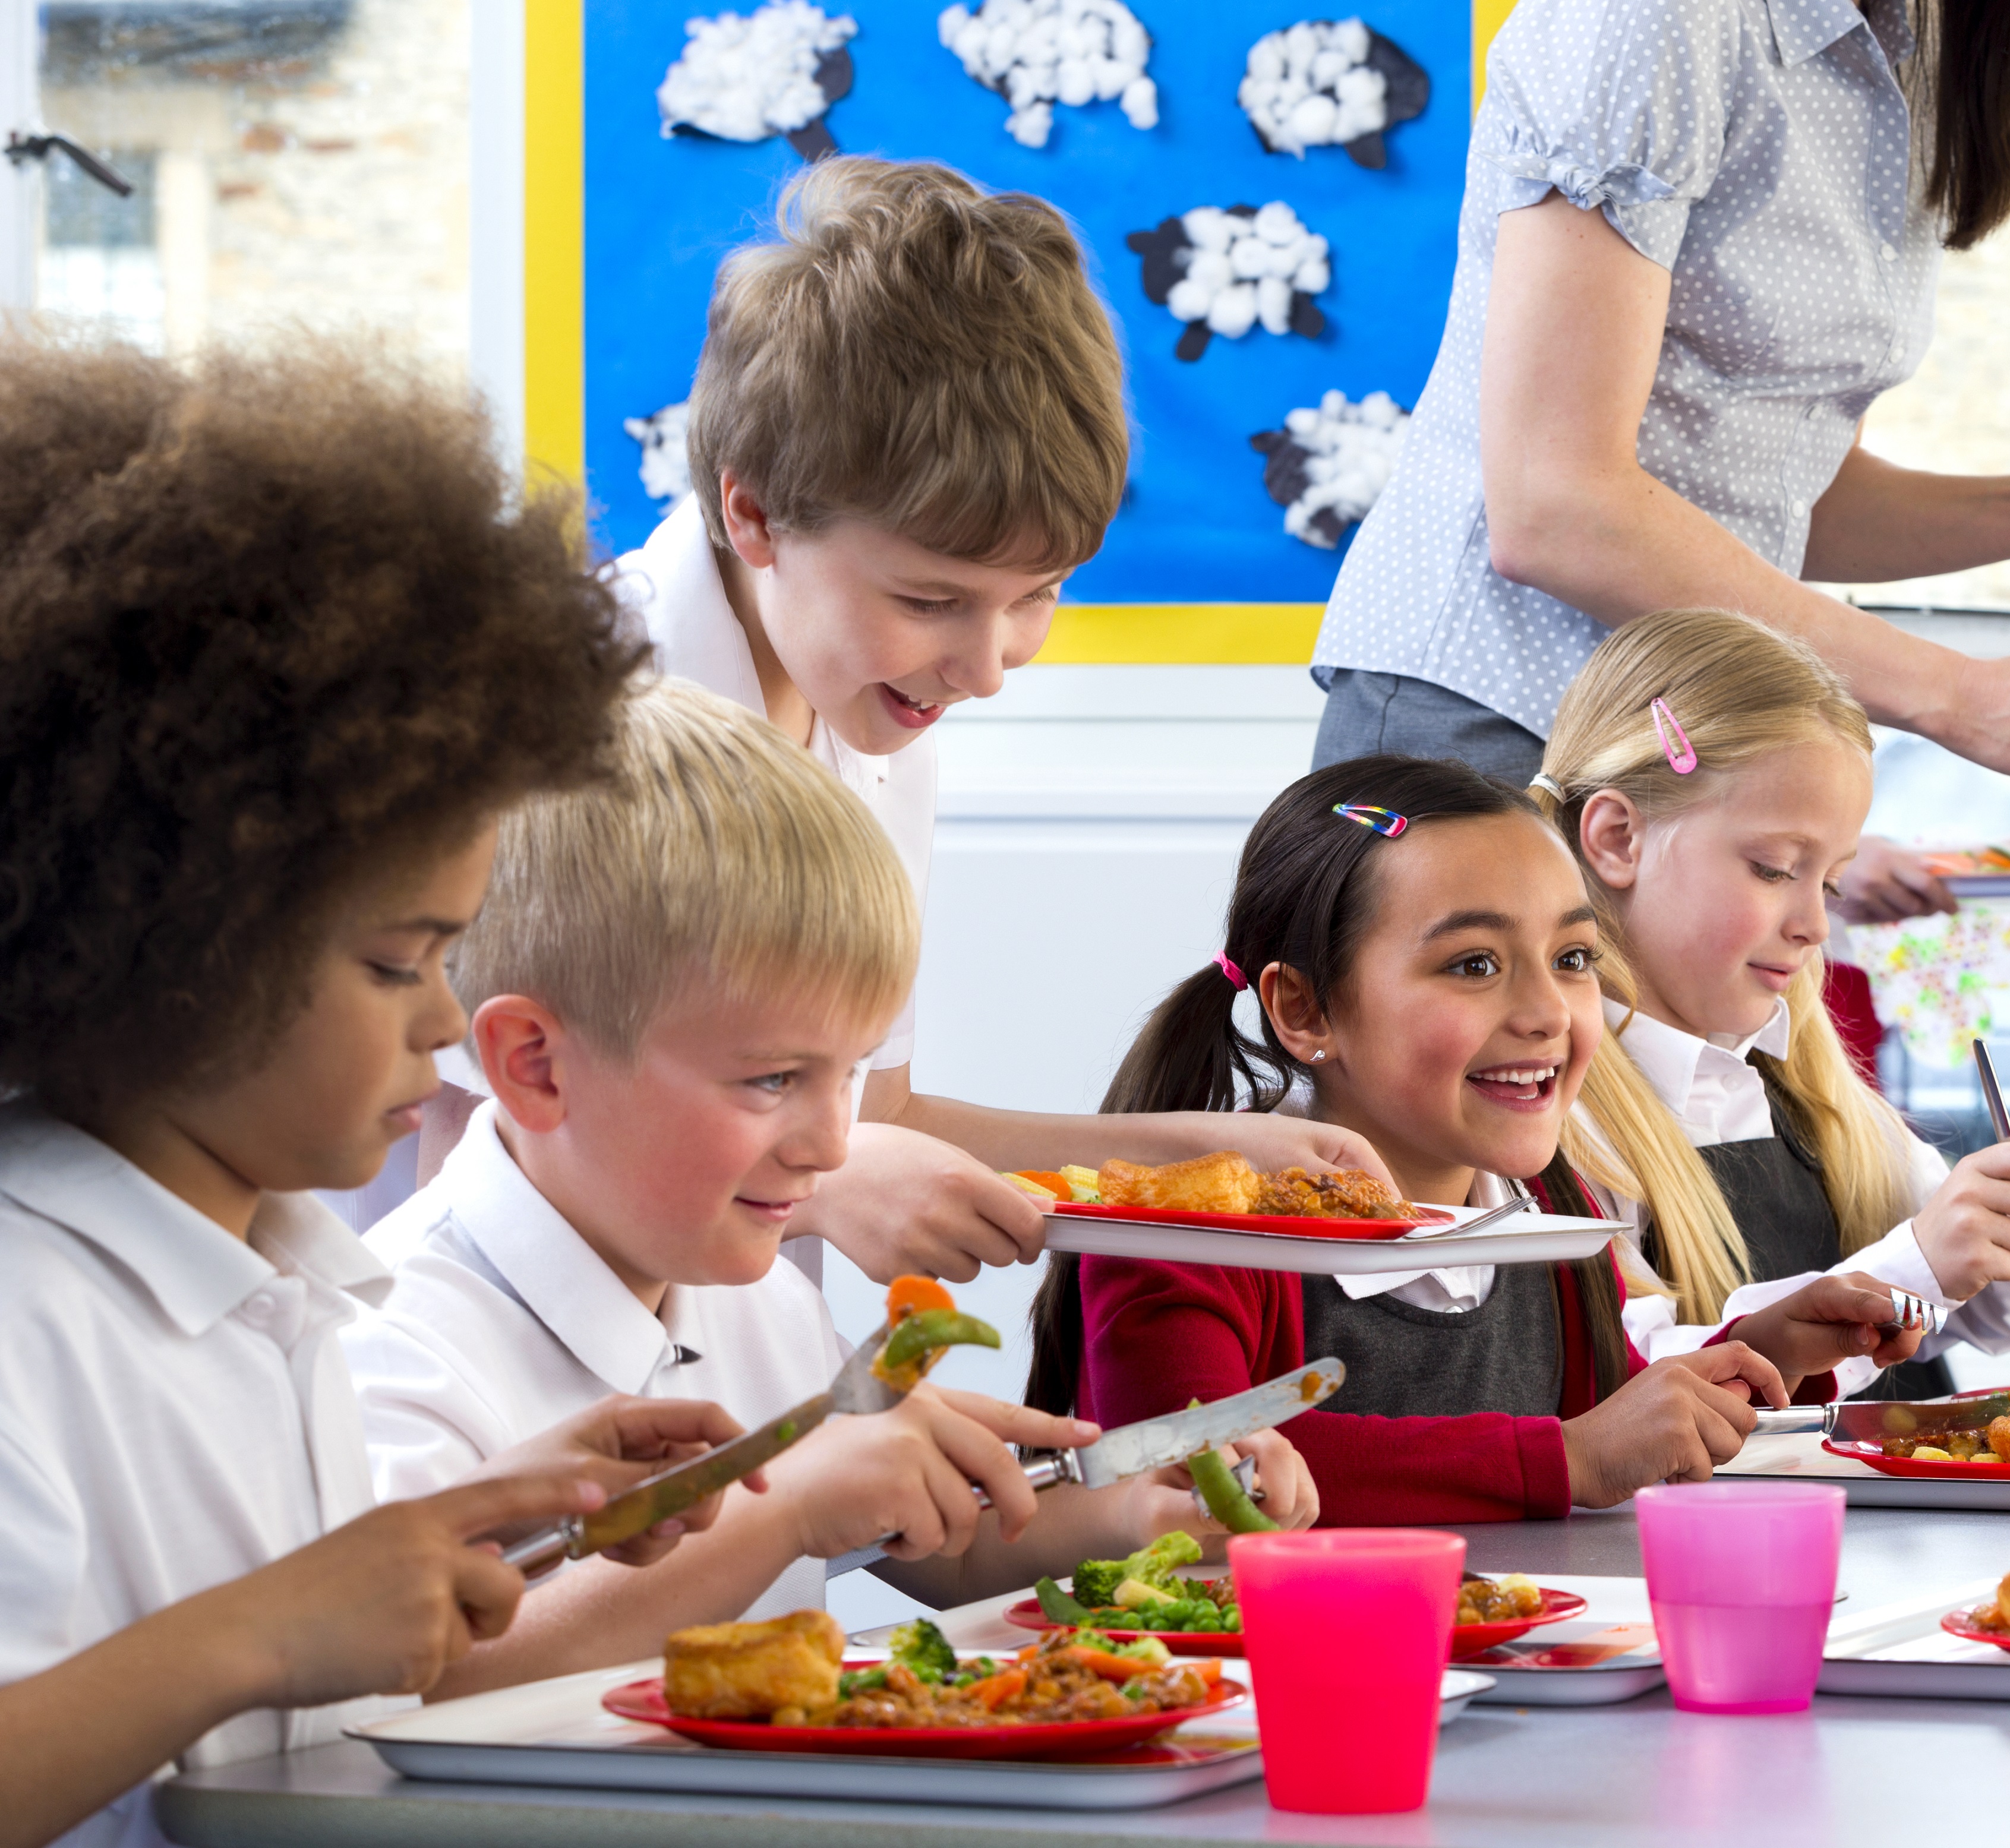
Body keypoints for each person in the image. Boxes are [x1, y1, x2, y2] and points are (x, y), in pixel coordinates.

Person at [0, 340, 736, 1848]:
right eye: (400, 964)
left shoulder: (274, 1284)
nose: (449, 1020)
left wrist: (488, 1525)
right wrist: (262, 1630)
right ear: (168, 936)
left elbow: (296, 1702)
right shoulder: (24, 1308)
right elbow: (217, 1656)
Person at [424, 156, 1393, 1285]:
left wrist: (1193, 1151)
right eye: (931, 601)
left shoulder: (879, 717)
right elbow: (501, 1132)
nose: (986, 669)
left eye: (1037, 594)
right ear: (754, 513)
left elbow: (875, 1115)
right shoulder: (558, 730)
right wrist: (827, 1186)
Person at [349, 680, 1318, 1699]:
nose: (831, 1142)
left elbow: (928, 1546)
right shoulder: (391, 1348)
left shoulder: (761, 1299)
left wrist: (1133, 1507)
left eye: (849, 1074)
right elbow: (426, 1670)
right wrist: (790, 1509)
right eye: (772, 1080)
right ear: (537, 1066)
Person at [1310, 0, 2010, 823]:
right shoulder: (1658, 20)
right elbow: (1556, 508)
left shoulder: (1891, 51)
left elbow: (1760, 495)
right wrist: (1962, 696)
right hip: (1500, 719)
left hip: (1687, 744)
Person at [1026, 756, 1933, 1526]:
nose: (1545, 1012)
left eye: (1573, 960)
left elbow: (1605, 1426)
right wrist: (1563, 1460)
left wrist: (1762, 1354)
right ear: (1302, 1009)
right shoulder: (1181, 1233)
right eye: (1473, 965)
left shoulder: (1547, 1212)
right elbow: (1185, 1470)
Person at [1531, 609, 2010, 1394]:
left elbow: (1958, 1298)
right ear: (1617, 838)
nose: (1815, 923)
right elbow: (1621, 1379)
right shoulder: (1551, 1117)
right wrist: (1917, 1262)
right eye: (1774, 867)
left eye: (1832, 880)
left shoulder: (1811, 1093)